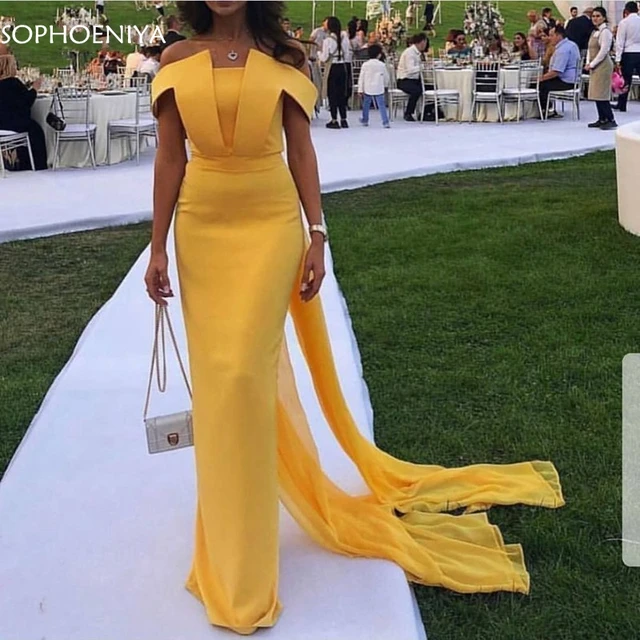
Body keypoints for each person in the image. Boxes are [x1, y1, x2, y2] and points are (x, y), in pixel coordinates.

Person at [146, 1, 565, 635]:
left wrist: (317, 233)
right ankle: (228, 543)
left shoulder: (286, 56)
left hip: (270, 225)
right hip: (201, 229)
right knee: (219, 386)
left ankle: (244, 558)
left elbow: (301, 151)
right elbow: (170, 159)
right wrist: (156, 246)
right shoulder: (176, 58)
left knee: (244, 377)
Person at [0, 54, 47, 170]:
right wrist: (35, 89)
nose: (16, 68)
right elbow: (26, 101)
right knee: (36, 130)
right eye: (14, 65)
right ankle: (38, 164)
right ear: (9, 67)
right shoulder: (13, 83)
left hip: (2, 123)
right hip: (14, 123)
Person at [538, 24, 581, 117]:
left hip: (567, 81)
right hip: (574, 80)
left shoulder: (563, 50)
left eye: (551, 35)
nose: (549, 38)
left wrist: (541, 78)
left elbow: (556, 71)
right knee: (544, 82)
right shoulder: (572, 44)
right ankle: (547, 108)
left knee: (541, 85)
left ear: (559, 36)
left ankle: (546, 110)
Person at [585, 6, 616, 129]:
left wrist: (592, 64)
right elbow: (589, 49)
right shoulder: (595, 32)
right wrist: (588, 62)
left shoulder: (605, 32)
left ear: (603, 18)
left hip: (603, 65)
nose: (595, 18)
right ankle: (601, 118)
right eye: (593, 16)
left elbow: (604, 51)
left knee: (602, 93)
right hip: (595, 65)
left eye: (598, 16)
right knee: (596, 93)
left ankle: (610, 118)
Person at [318, 16, 351, 129]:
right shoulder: (344, 38)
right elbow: (347, 54)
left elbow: (324, 57)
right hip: (342, 67)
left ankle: (334, 119)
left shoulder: (327, 41)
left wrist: (318, 53)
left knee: (332, 94)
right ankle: (344, 119)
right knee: (342, 93)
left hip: (332, 67)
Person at [614, 1, 640, 112]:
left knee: (625, 80)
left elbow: (620, 42)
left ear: (626, 11)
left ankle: (622, 104)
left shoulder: (624, 22)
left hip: (628, 53)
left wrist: (618, 59)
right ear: (637, 10)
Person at [396, 32, 428, 121]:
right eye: (425, 43)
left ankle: (426, 112)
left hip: (414, 79)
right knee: (416, 91)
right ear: (421, 42)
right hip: (404, 80)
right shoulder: (410, 53)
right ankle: (408, 113)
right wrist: (423, 67)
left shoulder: (417, 53)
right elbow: (410, 70)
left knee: (431, 88)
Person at [357, 43, 390, 128]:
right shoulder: (382, 65)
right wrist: (385, 85)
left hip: (368, 88)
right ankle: (385, 121)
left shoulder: (365, 65)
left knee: (366, 105)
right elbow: (386, 76)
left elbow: (361, 78)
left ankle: (365, 120)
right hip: (379, 87)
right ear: (379, 55)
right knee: (381, 105)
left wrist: (360, 89)